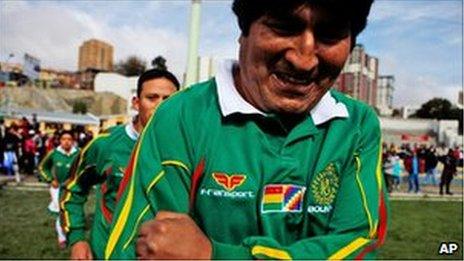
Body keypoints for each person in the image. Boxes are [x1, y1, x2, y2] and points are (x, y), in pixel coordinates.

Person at [107, 0, 388, 259]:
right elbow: (138, 248)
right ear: (244, 31)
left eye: (329, 35)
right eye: (284, 27)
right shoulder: (180, 117)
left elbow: (358, 244)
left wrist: (216, 255)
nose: (304, 59)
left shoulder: (355, 125)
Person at [59, 69, 179, 260]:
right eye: (152, 97)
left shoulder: (185, 150)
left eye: (168, 99)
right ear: (136, 103)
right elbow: (72, 188)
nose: (160, 105)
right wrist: (77, 238)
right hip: (108, 253)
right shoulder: (106, 144)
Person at [38, 130, 79, 248]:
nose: (66, 142)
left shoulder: (78, 153)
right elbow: (42, 167)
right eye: (64, 139)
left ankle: (73, 234)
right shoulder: (54, 153)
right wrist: (51, 179)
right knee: (60, 212)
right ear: (60, 141)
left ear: (73, 141)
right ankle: (62, 238)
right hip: (57, 188)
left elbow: (84, 169)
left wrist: (75, 180)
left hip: (73, 188)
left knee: (72, 211)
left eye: (69, 139)